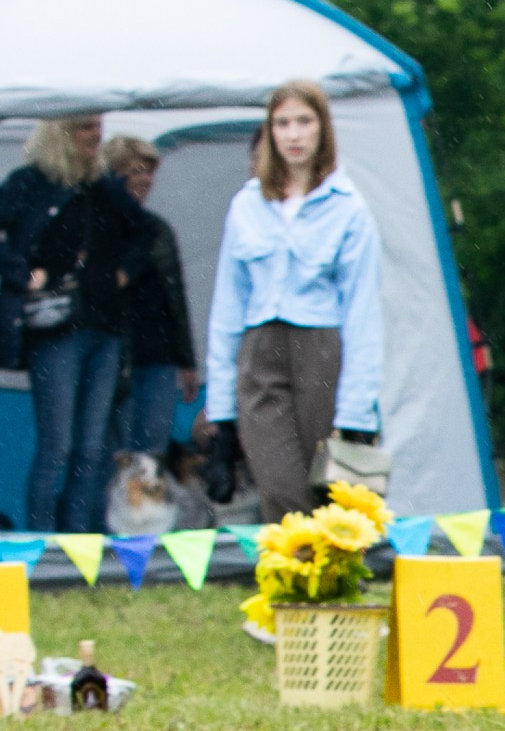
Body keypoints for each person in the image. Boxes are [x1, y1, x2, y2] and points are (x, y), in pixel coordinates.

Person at [204, 80, 385, 524]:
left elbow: (363, 313)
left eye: (304, 121)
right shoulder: (246, 205)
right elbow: (227, 310)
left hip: (320, 352)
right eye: (282, 123)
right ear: (269, 133)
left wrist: (358, 409)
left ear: (323, 129)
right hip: (260, 354)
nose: (294, 134)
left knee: (326, 483)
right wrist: (221, 410)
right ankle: (297, 581)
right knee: (279, 483)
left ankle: (326, 582)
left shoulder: (349, 209)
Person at [0, 116, 153, 530]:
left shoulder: (101, 186)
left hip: (104, 330)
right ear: (59, 131)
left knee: (90, 449)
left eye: (98, 126)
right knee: (58, 445)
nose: (96, 135)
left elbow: (146, 229)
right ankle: (41, 545)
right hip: (54, 334)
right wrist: (22, 274)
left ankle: (77, 545)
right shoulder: (28, 184)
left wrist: (124, 271)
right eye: (85, 126)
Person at [102, 136, 200, 457]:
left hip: (159, 356)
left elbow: (175, 297)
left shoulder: (159, 230)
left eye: (150, 172)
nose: (146, 180)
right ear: (115, 174)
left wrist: (186, 360)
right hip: (117, 358)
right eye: (137, 171)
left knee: (153, 452)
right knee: (118, 454)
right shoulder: (101, 225)